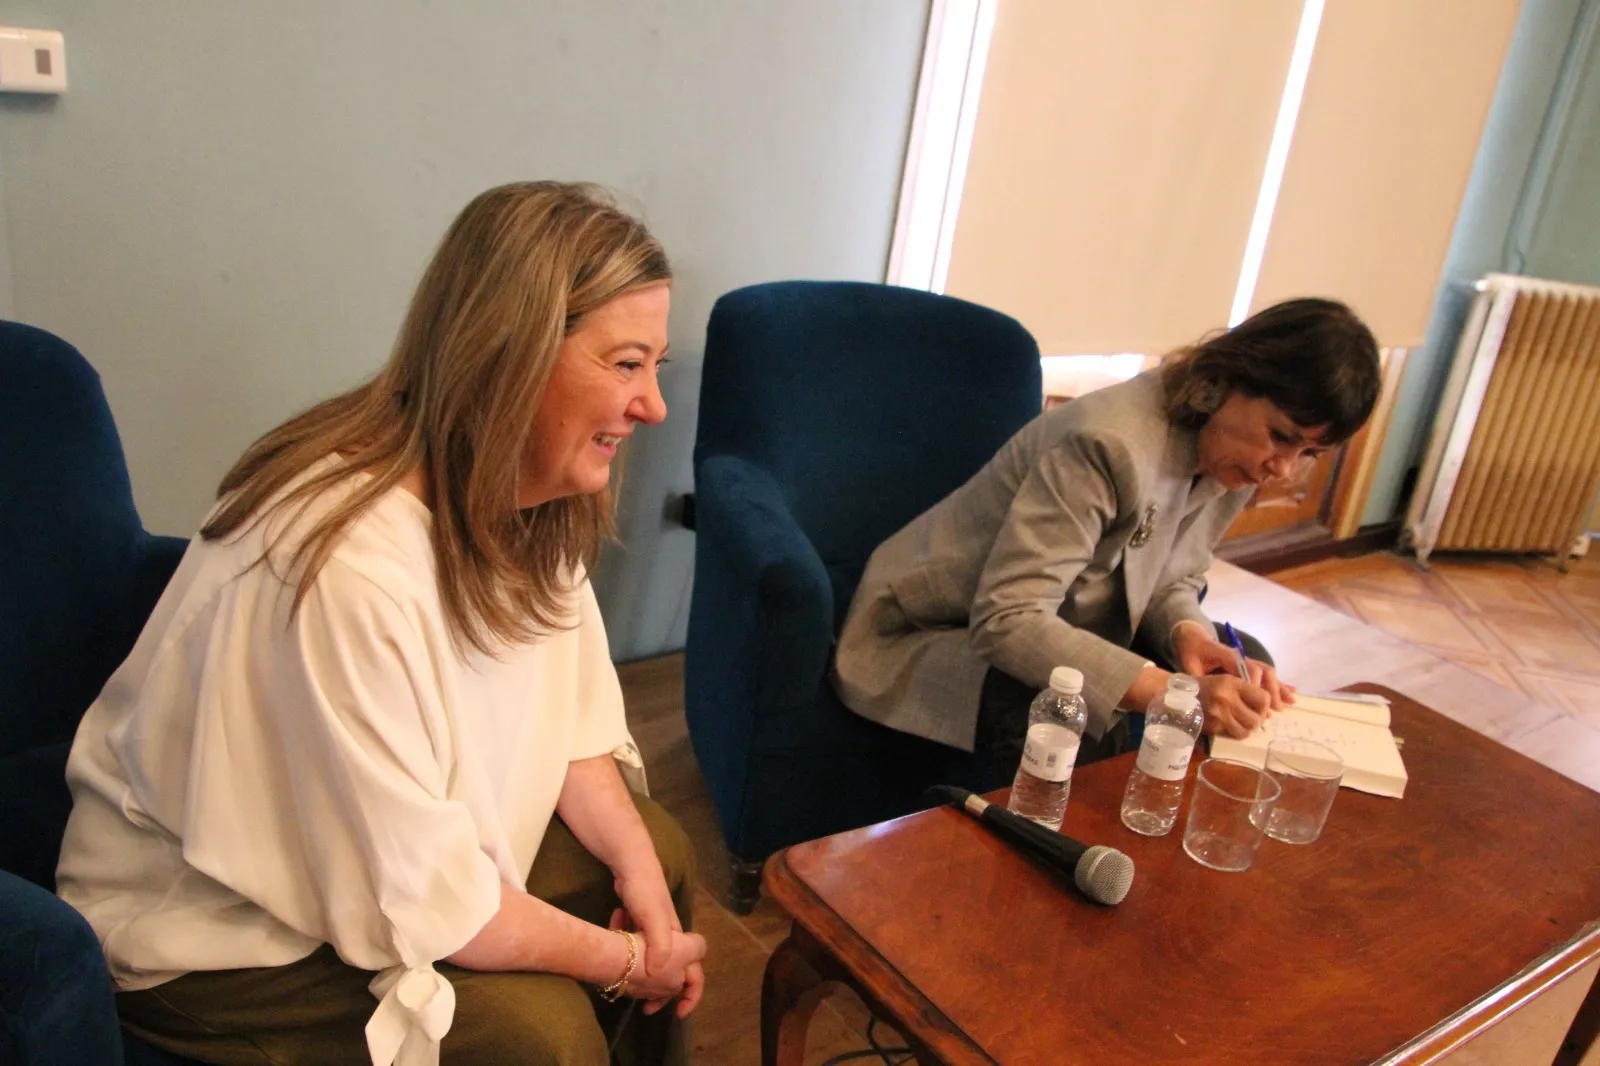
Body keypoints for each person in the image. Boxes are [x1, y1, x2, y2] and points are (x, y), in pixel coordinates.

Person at [55, 182, 705, 1066]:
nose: (653, 405)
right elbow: (434, 900)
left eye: (656, 366)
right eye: (627, 365)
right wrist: (634, 963)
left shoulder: (532, 498)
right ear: (509, 355)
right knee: (540, 1039)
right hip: (221, 930)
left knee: (656, 852)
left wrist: (647, 908)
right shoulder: (342, 568)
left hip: (388, 854)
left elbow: (571, 727)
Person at [832, 298, 1382, 780]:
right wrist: (1173, 696)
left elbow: (1174, 574)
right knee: (1076, 711)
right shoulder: (1106, 444)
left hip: (1058, 616)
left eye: (1308, 453)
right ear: (1234, 377)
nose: (1284, 471)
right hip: (932, 627)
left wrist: (1190, 634)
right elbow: (1008, 620)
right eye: (1283, 438)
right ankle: (1051, 872)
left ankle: (1173, 849)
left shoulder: (1235, 451)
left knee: (1245, 663)